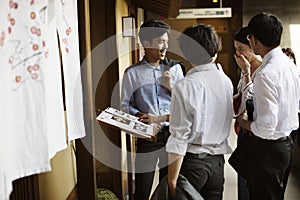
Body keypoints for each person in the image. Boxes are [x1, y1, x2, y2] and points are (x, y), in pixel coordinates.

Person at [237, 13, 300, 200]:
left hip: (268, 151)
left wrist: (244, 122)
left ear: (254, 40)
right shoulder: (289, 65)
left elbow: (265, 128)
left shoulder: (266, 73)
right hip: (287, 145)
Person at [166, 24, 233, 199]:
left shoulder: (185, 85)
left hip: (193, 164)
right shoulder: (226, 81)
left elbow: (180, 136)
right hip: (217, 164)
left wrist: (172, 180)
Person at [120, 19, 184, 200]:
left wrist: (171, 87)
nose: (165, 46)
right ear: (146, 44)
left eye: (166, 41)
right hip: (147, 138)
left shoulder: (176, 69)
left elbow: (186, 104)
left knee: (169, 188)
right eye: (160, 42)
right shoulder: (132, 73)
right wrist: (140, 116)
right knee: (142, 189)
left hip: (173, 135)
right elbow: (125, 105)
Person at [233, 27, 262, 200]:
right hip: (243, 130)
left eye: (241, 48)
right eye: (235, 48)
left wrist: (247, 73)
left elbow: (250, 102)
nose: (237, 53)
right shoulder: (245, 67)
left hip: (256, 132)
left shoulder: (262, 70)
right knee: (243, 181)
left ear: (252, 46)